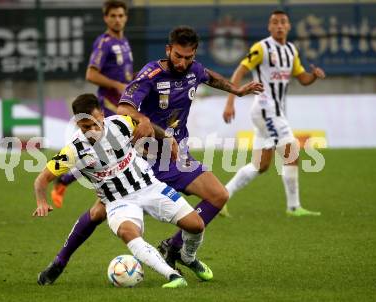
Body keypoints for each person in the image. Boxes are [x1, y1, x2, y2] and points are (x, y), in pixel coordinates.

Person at [37, 26, 263, 285]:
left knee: (219, 195)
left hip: (176, 155)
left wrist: (237, 90)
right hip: (144, 159)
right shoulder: (151, 73)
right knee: (99, 212)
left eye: (189, 57)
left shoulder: (194, 70)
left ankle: (175, 248)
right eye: (178, 56)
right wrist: (144, 119)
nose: (183, 62)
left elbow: (208, 76)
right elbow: (124, 107)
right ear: (168, 50)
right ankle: (59, 262)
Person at [34, 94, 213, 288]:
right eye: (86, 127)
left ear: (102, 115)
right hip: (118, 202)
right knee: (128, 232)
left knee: (196, 225)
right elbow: (41, 179)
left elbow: (148, 127)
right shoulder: (74, 150)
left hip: (149, 186)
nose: (93, 130)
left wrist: (169, 138)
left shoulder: (120, 124)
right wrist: (42, 202)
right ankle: (172, 276)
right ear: (78, 124)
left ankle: (188, 256)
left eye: (96, 123)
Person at [223, 10, 325, 217]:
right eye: (275, 22)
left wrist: (313, 76)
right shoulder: (261, 48)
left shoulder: (291, 51)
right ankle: (294, 207)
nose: (279, 25)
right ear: (269, 27)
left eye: (283, 22)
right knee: (292, 153)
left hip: (272, 112)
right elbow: (240, 71)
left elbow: (302, 78)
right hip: (266, 109)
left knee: (260, 165)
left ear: (288, 27)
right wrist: (230, 102)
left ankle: (221, 197)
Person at [52, 0, 134, 208]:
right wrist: (116, 85)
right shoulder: (103, 43)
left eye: (120, 15)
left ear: (126, 17)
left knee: (122, 151)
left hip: (123, 104)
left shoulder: (124, 42)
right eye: (113, 16)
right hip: (107, 107)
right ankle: (65, 180)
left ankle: (67, 181)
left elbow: (124, 75)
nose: (117, 19)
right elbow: (91, 73)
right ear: (105, 18)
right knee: (105, 153)